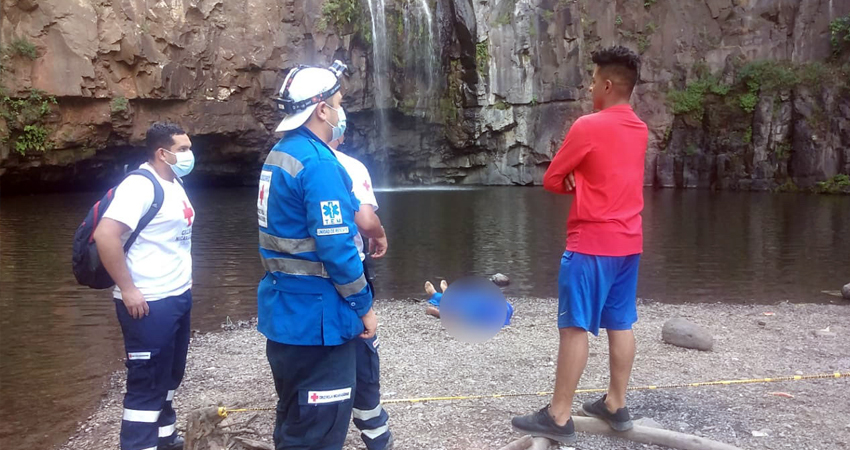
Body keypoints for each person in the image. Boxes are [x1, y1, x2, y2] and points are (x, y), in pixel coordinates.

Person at [511, 45, 648, 444]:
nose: (590, 88)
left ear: (607, 84)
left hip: (591, 242)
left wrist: (575, 179)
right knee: (620, 322)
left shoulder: (589, 126)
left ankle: (558, 415)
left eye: (592, 81)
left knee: (574, 328)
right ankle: (615, 403)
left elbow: (553, 177)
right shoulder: (639, 128)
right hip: (629, 242)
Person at [257, 60, 376, 450]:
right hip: (318, 323)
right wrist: (363, 304)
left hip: (285, 314)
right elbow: (337, 247)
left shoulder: (280, 155)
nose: (342, 110)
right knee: (320, 430)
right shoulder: (320, 163)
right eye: (339, 102)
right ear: (322, 108)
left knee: (294, 421)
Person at [94, 122, 196, 450]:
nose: (190, 154)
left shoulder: (174, 182)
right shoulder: (139, 186)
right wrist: (128, 289)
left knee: (169, 377)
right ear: (161, 153)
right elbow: (105, 236)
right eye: (183, 149)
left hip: (177, 295)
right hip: (147, 302)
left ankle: (166, 440)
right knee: (146, 384)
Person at [328, 135, 393, 449]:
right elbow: (366, 220)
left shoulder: (283, 162)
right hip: (348, 269)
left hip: (299, 284)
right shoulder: (349, 166)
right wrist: (379, 233)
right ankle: (376, 434)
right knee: (362, 344)